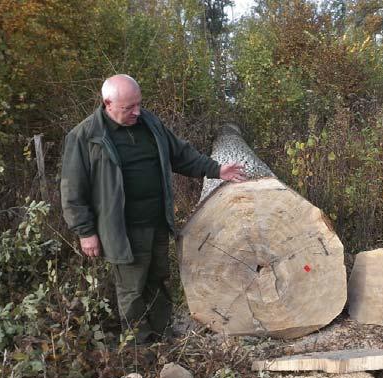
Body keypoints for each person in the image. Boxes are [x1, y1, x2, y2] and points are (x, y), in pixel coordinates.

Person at [61, 74, 245, 344]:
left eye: (139, 104)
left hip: (157, 221)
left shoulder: (149, 123)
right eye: (129, 107)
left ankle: (162, 336)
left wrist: (216, 169)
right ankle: (139, 346)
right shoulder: (85, 136)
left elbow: (180, 154)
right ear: (107, 103)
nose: (137, 111)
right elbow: (72, 188)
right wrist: (85, 230)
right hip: (122, 229)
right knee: (132, 288)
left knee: (158, 280)